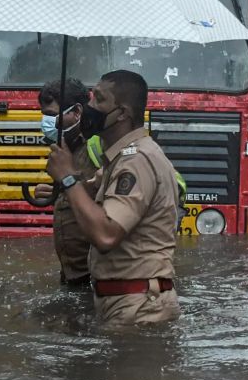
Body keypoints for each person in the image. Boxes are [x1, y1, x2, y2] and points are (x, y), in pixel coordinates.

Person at [45, 70, 181, 325]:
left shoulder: (136, 161)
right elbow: (90, 192)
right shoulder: (119, 158)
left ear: (122, 113)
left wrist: (67, 178)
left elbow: (106, 234)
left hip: (139, 308)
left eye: (99, 99)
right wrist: (64, 184)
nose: (89, 107)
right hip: (126, 302)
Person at [34, 79, 99, 286]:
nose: (46, 122)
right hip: (73, 274)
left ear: (77, 112)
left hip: (97, 275)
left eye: (52, 115)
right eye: (44, 115)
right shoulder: (63, 149)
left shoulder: (98, 145)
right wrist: (56, 193)